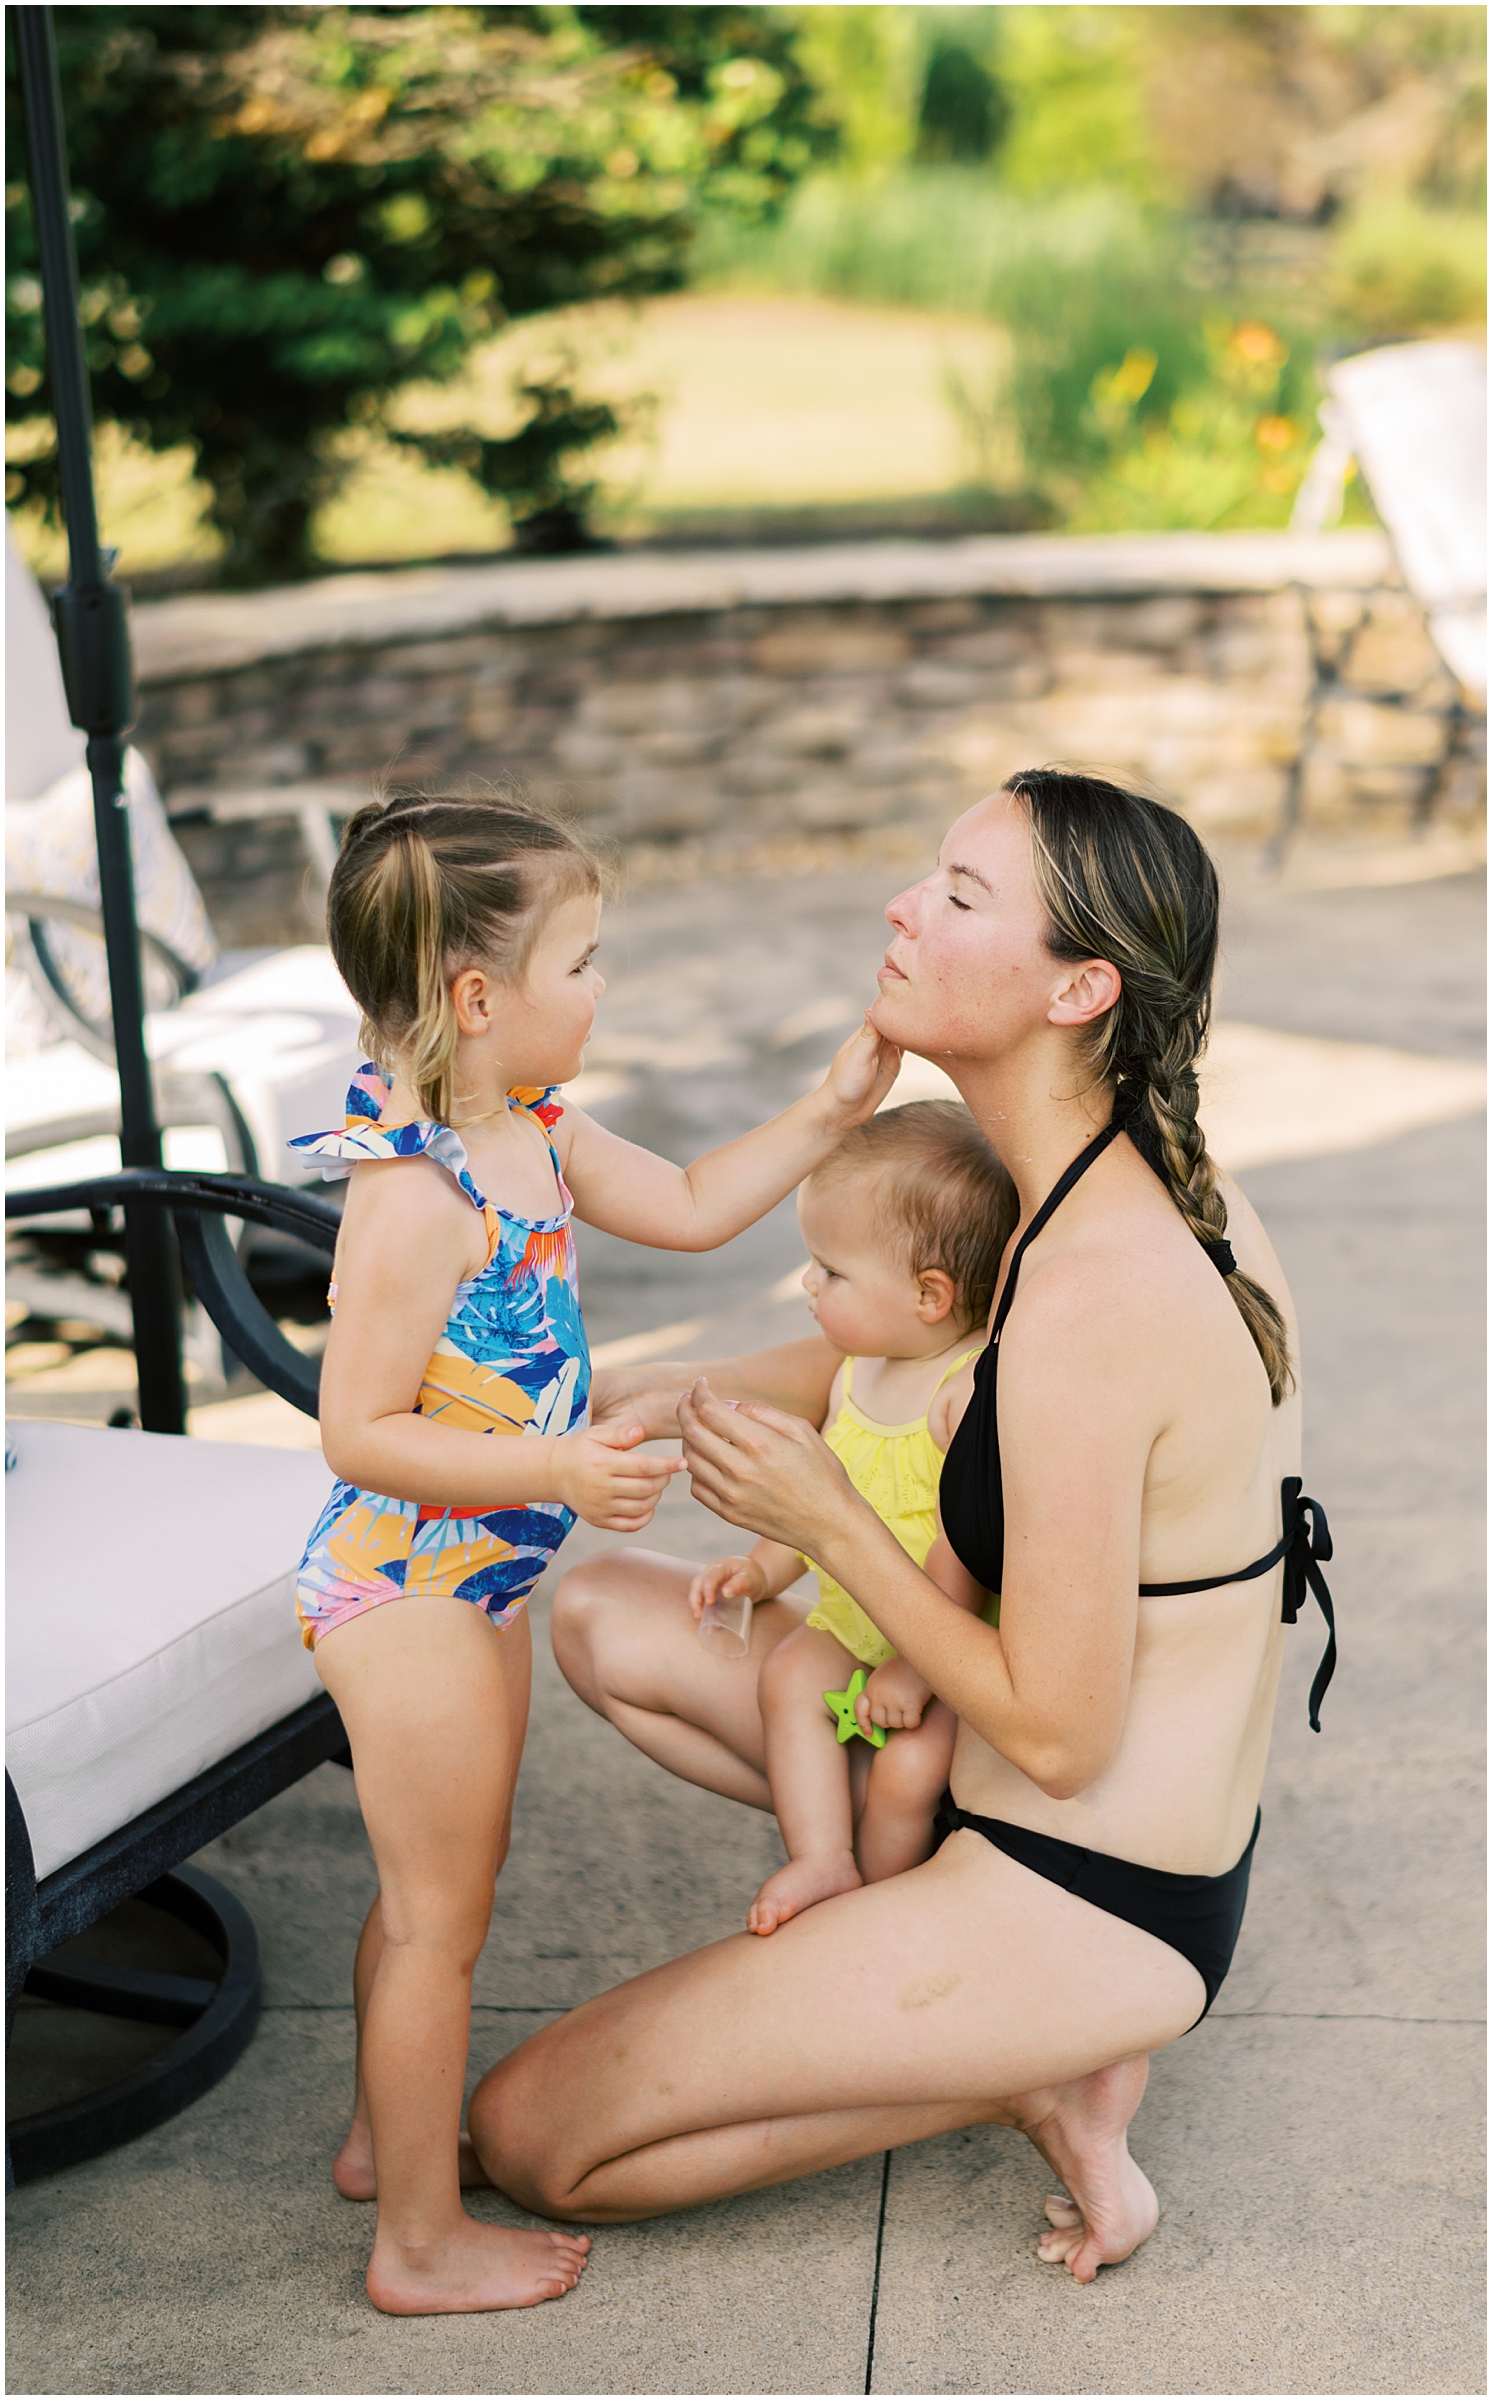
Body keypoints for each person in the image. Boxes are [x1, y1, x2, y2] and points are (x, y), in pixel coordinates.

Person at [468, 768, 1336, 2281]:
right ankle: (900, 1946)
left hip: (1089, 1882)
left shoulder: (1102, 1298)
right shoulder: (1068, 1177)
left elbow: (1063, 1738)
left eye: (959, 895)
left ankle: (1017, 2062)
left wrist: (834, 1525)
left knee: (535, 2138)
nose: (901, 907)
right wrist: (681, 1392)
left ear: (1080, 987)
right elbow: (925, 1352)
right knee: (608, 1612)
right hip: (975, 1776)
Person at [292, 791, 899, 2318]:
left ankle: (389, 2141)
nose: (604, 985)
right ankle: (418, 2244)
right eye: (584, 962)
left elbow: (693, 1208)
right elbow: (355, 1431)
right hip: (407, 1586)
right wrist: (553, 1464)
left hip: (482, 1575)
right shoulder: (415, 1195)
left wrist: (833, 1112)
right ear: (478, 999)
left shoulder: (533, 1131)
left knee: (442, 1885)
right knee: (441, 1920)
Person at [687, 1102, 1018, 1935]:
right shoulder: (857, 1372)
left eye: (830, 1271)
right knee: (789, 1678)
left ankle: (880, 1907)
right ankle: (822, 1854)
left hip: (944, 1642)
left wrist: (915, 1667)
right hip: (848, 1623)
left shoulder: (962, 1393)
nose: (807, 1282)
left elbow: (964, 1546)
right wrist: (761, 1570)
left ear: (929, 1295)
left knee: (910, 1773)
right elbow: (824, 1496)